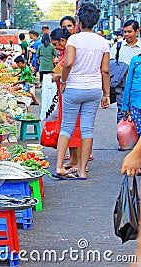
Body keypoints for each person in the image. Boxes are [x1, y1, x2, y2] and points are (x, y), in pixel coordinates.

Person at [56, 3, 110, 180]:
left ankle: (59, 167)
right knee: (87, 129)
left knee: (67, 127)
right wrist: (106, 94)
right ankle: (82, 169)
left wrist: (63, 80)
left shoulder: (74, 40)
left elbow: (68, 63)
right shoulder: (103, 42)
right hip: (94, 89)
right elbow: (105, 71)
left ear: (78, 20)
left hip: (73, 87)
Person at [50, 27, 83, 176]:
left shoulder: (70, 52)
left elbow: (62, 71)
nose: (56, 47)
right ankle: (73, 159)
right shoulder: (64, 53)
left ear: (63, 40)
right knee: (68, 126)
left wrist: (58, 77)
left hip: (71, 93)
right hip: (65, 94)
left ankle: (78, 162)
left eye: (56, 44)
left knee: (74, 127)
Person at [110, 20, 141, 124]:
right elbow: (110, 63)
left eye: (130, 32)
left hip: (137, 86)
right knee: (122, 112)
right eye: (125, 32)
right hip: (122, 85)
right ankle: (123, 138)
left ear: (137, 31)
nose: (127, 34)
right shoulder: (118, 47)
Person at [122, 54, 141, 136]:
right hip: (135, 102)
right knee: (138, 131)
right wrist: (125, 105)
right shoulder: (135, 59)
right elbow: (128, 83)